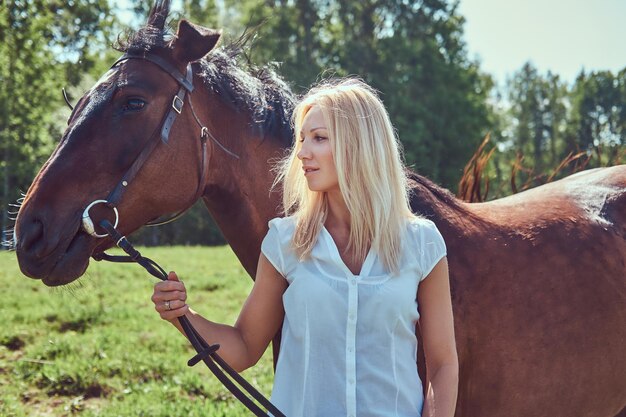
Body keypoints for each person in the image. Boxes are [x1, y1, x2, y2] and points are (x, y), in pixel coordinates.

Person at [151, 78, 459, 417]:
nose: (301, 152)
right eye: (302, 139)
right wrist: (183, 316)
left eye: (319, 138)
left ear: (360, 145)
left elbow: (443, 363)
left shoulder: (422, 243)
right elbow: (244, 346)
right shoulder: (285, 242)